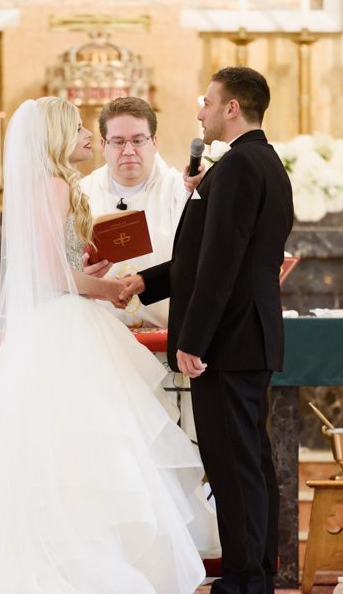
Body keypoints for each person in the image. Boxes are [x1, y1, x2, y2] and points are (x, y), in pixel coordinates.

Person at [0, 98, 209, 593]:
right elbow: (54, 273)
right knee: (85, 450)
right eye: (79, 128)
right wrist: (113, 287)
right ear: (58, 136)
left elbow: (58, 264)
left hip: (60, 325)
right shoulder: (57, 184)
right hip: (67, 328)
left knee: (64, 449)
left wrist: (95, 274)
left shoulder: (53, 185)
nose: (87, 136)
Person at [119, 67, 294, 594]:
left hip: (229, 339)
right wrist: (142, 281)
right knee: (251, 462)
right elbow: (202, 257)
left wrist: (192, 339)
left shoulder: (240, 166)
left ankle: (245, 579)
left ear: (232, 108)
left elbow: (220, 263)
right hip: (248, 336)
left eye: (207, 103)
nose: (200, 112)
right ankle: (258, 569)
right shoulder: (258, 162)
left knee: (234, 464)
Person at [79, 97, 189, 328]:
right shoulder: (81, 194)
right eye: (118, 142)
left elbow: (194, 261)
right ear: (103, 145)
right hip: (101, 337)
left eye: (138, 140)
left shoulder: (181, 191)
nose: (129, 151)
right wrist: (84, 273)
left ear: (154, 141)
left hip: (164, 333)